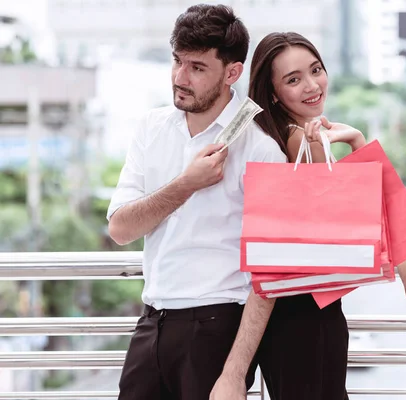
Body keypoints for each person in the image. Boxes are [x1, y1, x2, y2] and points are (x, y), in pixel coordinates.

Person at [106, 5, 286, 400]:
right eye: (176, 61)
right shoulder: (151, 128)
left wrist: (234, 373)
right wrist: (186, 184)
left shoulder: (263, 151)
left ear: (232, 73)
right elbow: (120, 229)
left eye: (197, 68)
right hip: (152, 321)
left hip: (216, 327)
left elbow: (268, 277)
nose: (179, 77)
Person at [248, 32, 406, 400]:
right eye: (293, 79)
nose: (312, 85)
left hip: (302, 309)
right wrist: (355, 141)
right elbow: (347, 218)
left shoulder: (289, 132)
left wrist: (355, 139)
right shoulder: (297, 139)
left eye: (316, 70)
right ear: (272, 93)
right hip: (302, 311)